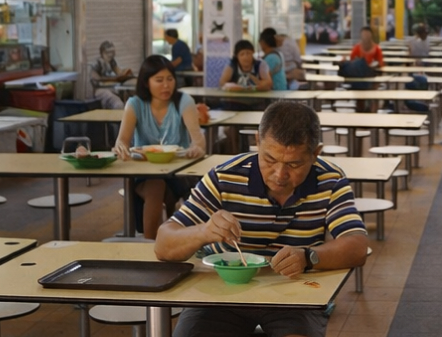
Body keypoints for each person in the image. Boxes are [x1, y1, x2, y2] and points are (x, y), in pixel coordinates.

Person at [155, 101, 369, 337]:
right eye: (269, 159)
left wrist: (308, 256)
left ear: (315, 154)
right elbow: (163, 245)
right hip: (220, 295)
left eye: (294, 164)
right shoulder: (224, 177)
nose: (279, 175)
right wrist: (203, 232)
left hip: (294, 294)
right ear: (257, 142)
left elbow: (357, 246)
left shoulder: (330, 180)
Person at [112, 55, 207, 239]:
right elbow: (122, 140)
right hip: (144, 173)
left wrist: (197, 148)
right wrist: (121, 147)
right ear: (146, 82)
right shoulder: (135, 104)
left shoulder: (183, 101)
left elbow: (198, 140)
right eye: (159, 80)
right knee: (155, 185)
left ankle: (169, 238)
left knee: (188, 190)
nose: (166, 85)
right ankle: (151, 244)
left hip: (178, 172)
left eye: (170, 79)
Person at [90, 41, 133, 110]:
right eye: (107, 52)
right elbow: (95, 78)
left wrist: (126, 74)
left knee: (130, 97)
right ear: (102, 53)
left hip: (113, 87)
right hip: (101, 89)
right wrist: (111, 79)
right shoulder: (98, 63)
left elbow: (119, 72)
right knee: (118, 104)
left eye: (112, 52)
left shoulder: (112, 61)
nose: (110, 55)